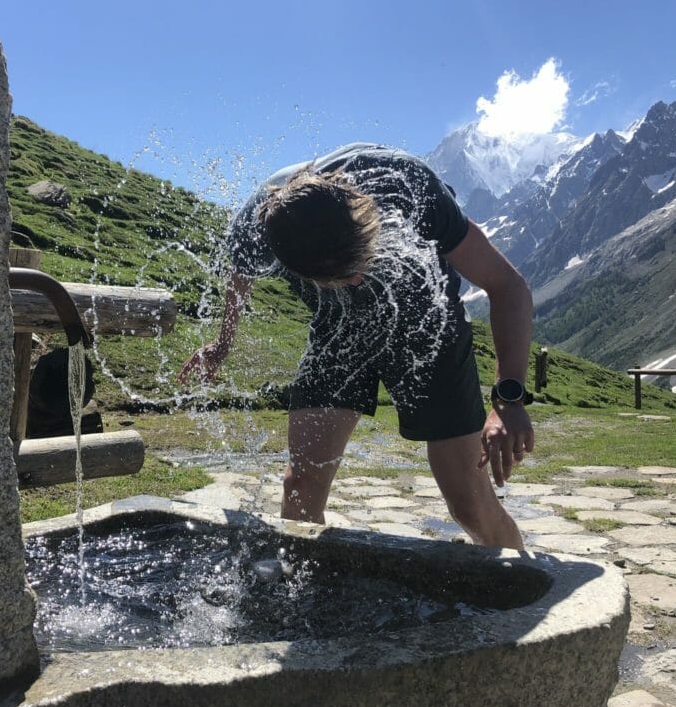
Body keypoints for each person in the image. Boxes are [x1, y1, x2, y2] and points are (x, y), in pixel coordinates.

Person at [178, 143, 533, 550]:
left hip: (428, 326)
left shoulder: (412, 189)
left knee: (469, 506)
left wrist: (509, 399)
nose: (355, 282)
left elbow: (509, 287)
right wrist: (222, 345)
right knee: (300, 488)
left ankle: (526, 579)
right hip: (337, 329)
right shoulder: (262, 222)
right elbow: (239, 274)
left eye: (358, 265)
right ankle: (310, 605)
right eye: (337, 277)